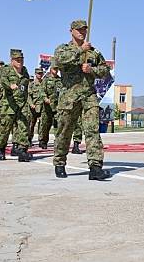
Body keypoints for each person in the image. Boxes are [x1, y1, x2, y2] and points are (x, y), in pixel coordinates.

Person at [52, 20, 112, 180]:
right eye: (78, 30)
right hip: (69, 98)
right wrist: (80, 51)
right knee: (64, 132)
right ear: (71, 31)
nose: (81, 32)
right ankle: (59, 163)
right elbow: (59, 61)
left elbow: (106, 70)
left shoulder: (93, 52)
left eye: (84, 29)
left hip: (88, 97)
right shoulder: (63, 49)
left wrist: (92, 69)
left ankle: (95, 167)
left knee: (92, 131)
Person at [0, 49, 33, 162]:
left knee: (23, 128)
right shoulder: (6, 70)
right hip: (9, 105)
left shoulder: (25, 71)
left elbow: (26, 87)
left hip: (22, 105)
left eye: (21, 60)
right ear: (12, 60)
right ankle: (1, 149)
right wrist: (9, 85)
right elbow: (2, 80)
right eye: (17, 60)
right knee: (4, 130)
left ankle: (22, 151)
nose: (19, 62)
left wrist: (28, 102)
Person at [39, 62, 61, 149]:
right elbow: (41, 91)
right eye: (54, 69)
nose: (55, 71)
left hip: (57, 107)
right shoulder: (46, 80)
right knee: (45, 125)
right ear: (51, 69)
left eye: (57, 69)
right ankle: (43, 141)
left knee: (58, 125)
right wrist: (45, 98)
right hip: (47, 107)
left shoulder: (60, 80)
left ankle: (58, 142)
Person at [28, 68, 45, 146]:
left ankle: (41, 140)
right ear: (35, 74)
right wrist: (31, 103)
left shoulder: (44, 83)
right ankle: (29, 139)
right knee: (31, 124)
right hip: (33, 107)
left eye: (41, 73)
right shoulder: (31, 84)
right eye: (38, 73)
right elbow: (29, 95)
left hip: (43, 107)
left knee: (42, 124)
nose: (40, 75)